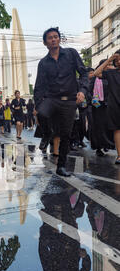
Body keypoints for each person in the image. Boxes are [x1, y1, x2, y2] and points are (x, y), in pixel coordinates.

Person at [34, 27, 89, 177]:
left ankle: (61, 166)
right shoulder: (43, 63)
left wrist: (82, 91)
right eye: (50, 38)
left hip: (69, 101)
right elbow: (39, 87)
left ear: (59, 39)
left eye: (55, 37)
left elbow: (84, 74)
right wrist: (37, 106)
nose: (53, 39)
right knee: (42, 114)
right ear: (45, 43)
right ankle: (47, 134)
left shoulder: (71, 54)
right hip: (52, 99)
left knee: (66, 134)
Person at [93, 50, 120, 164]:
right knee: (117, 130)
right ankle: (119, 156)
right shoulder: (111, 73)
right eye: (117, 60)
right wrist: (109, 59)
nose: (119, 61)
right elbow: (96, 73)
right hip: (114, 106)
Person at [89, 60, 115, 157]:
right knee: (98, 127)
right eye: (107, 65)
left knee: (108, 127)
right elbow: (89, 90)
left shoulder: (110, 76)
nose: (108, 66)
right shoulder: (95, 78)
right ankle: (98, 147)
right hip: (97, 106)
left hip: (109, 105)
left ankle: (107, 144)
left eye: (110, 65)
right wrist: (95, 102)